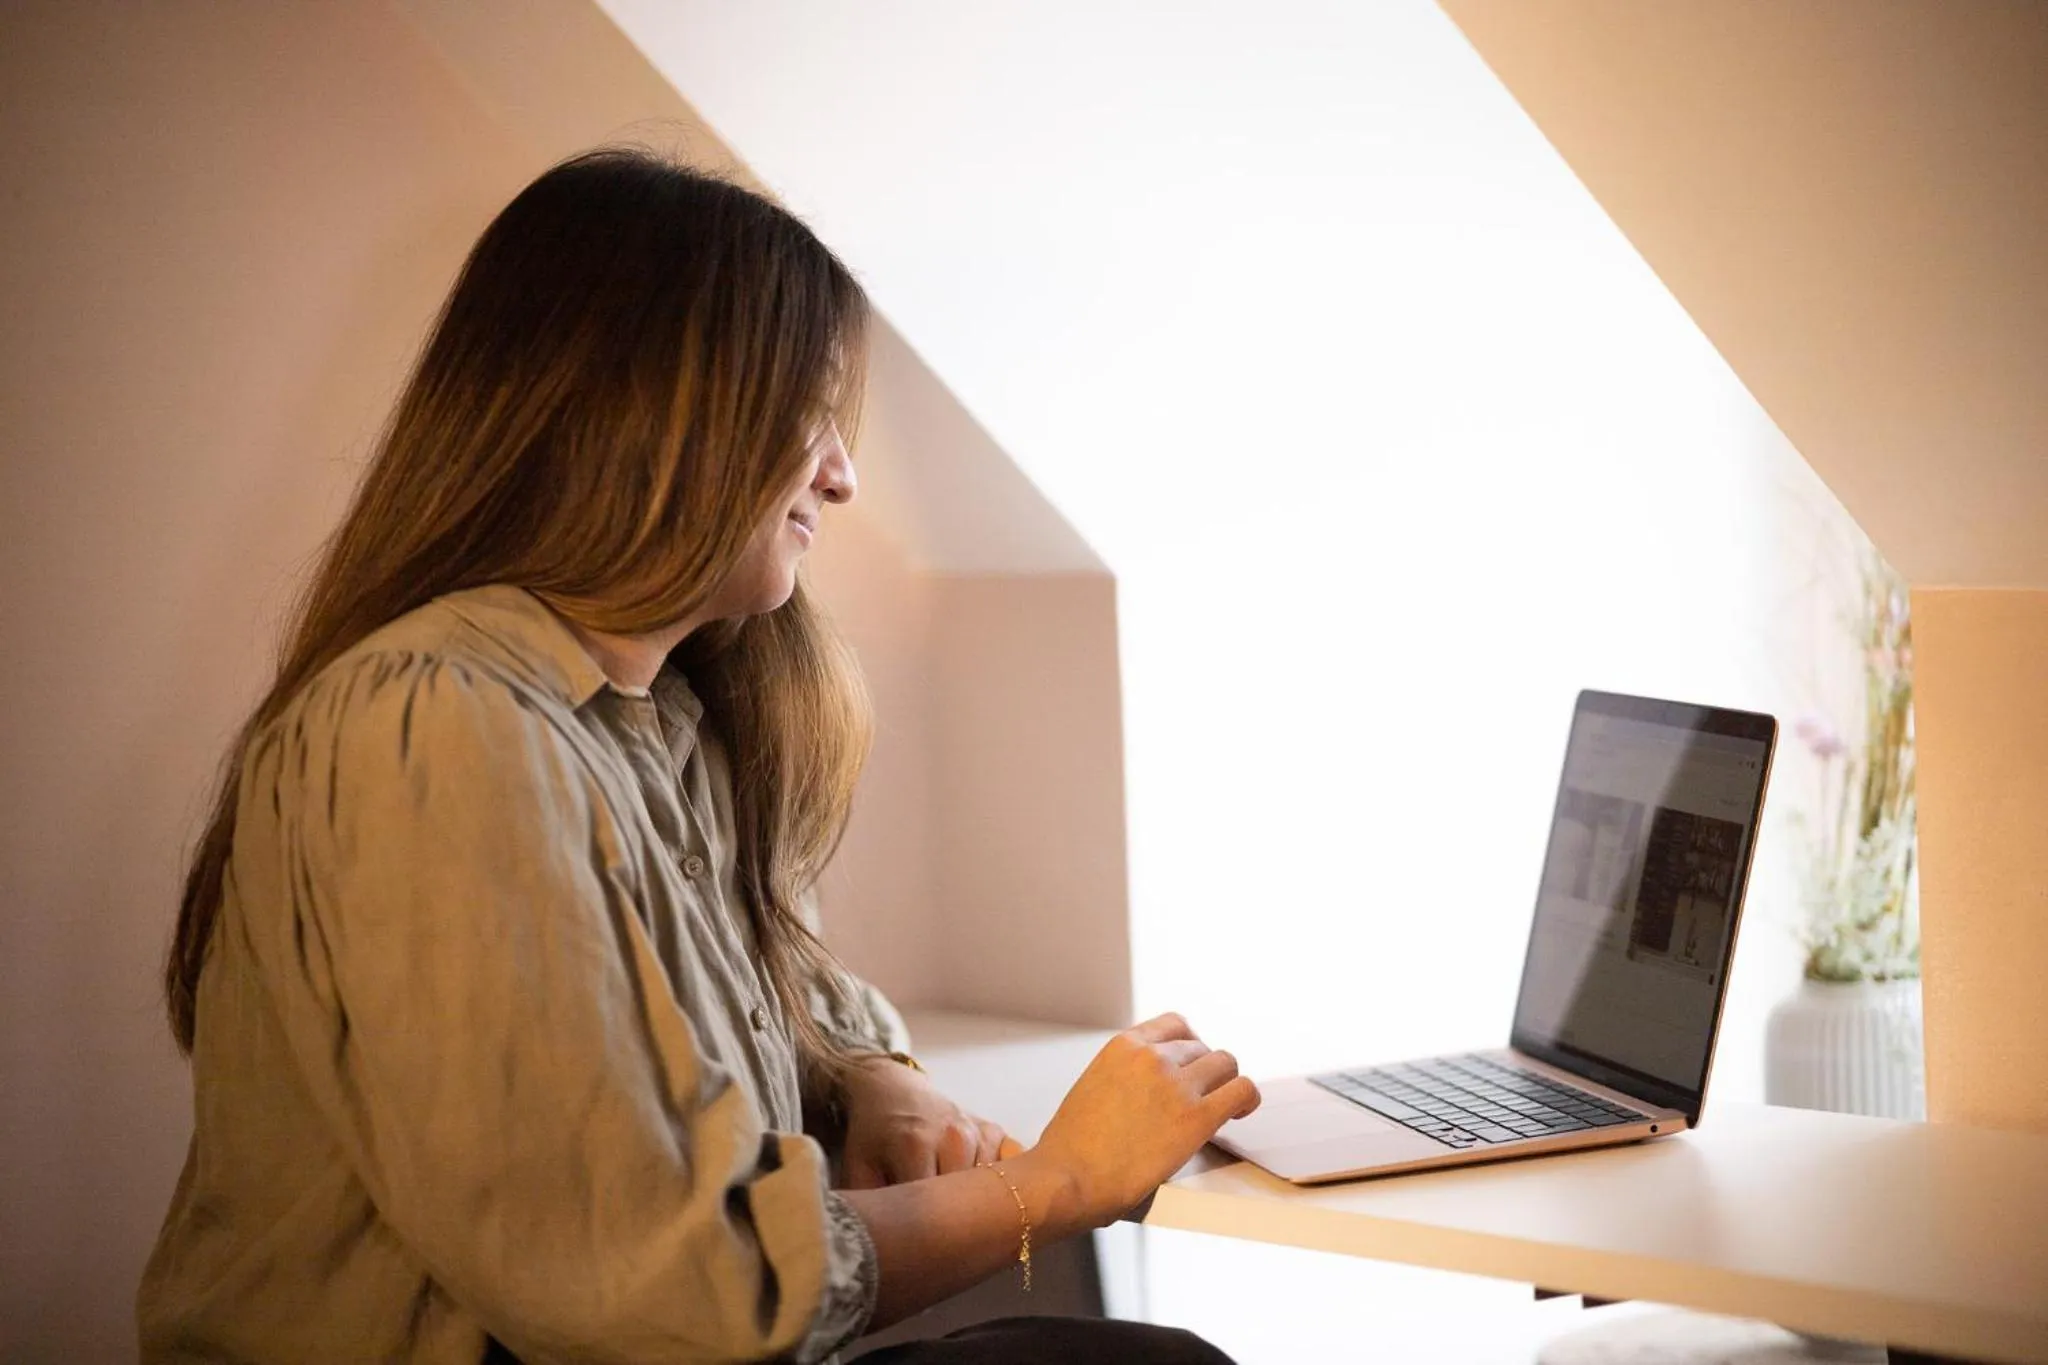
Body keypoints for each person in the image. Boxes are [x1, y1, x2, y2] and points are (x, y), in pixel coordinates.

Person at [139, 148, 1259, 1364]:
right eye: (809, 412)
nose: (840, 475)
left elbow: (752, 994)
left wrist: (869, 1074)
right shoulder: (438, 729)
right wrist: (1058, 1183)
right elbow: (677, 1292)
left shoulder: (662, 723)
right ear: (657, 415)